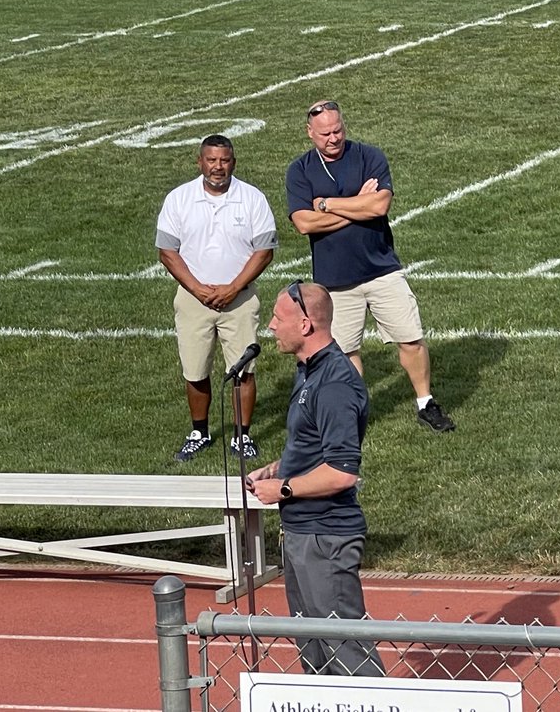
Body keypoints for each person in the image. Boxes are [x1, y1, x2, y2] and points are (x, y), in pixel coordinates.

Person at [286, 101, 455, 433]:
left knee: (411, 338)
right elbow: (304, 223)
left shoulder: (369, 156)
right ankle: (354, 411)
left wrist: (327, 204)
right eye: (325, 134)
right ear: (310, 133)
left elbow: (378, 206)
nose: (333, 138)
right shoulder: (300, 170)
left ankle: (425, 402)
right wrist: (354, 206)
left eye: (338, 130)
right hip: (334, 279)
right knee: (346, 349)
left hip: (382, 268)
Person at [247, 281, 384, 677]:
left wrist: (283, 489)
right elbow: (317, 447)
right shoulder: (308, 371)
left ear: (306, 325)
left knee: (346, 651)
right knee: (315, 653)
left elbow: (342, 472)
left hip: (326, 538)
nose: (271, 326)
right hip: (302, 534)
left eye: (278, 317)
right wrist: (279, 468)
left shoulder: (335, 384)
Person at [156, 135, 277, 462]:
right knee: (195, 370)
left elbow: (264, 251)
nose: (218, 167)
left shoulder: (252, 198)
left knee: (243, 371)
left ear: (233, 163)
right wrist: (197, 289)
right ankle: (200, 431)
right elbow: (167, 252)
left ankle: (242, 436)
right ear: (200, 162)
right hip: (194, 300)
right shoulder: (179, 199)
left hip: (238, 300)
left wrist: (233, 287)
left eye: (224, 160)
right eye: (211, 160)